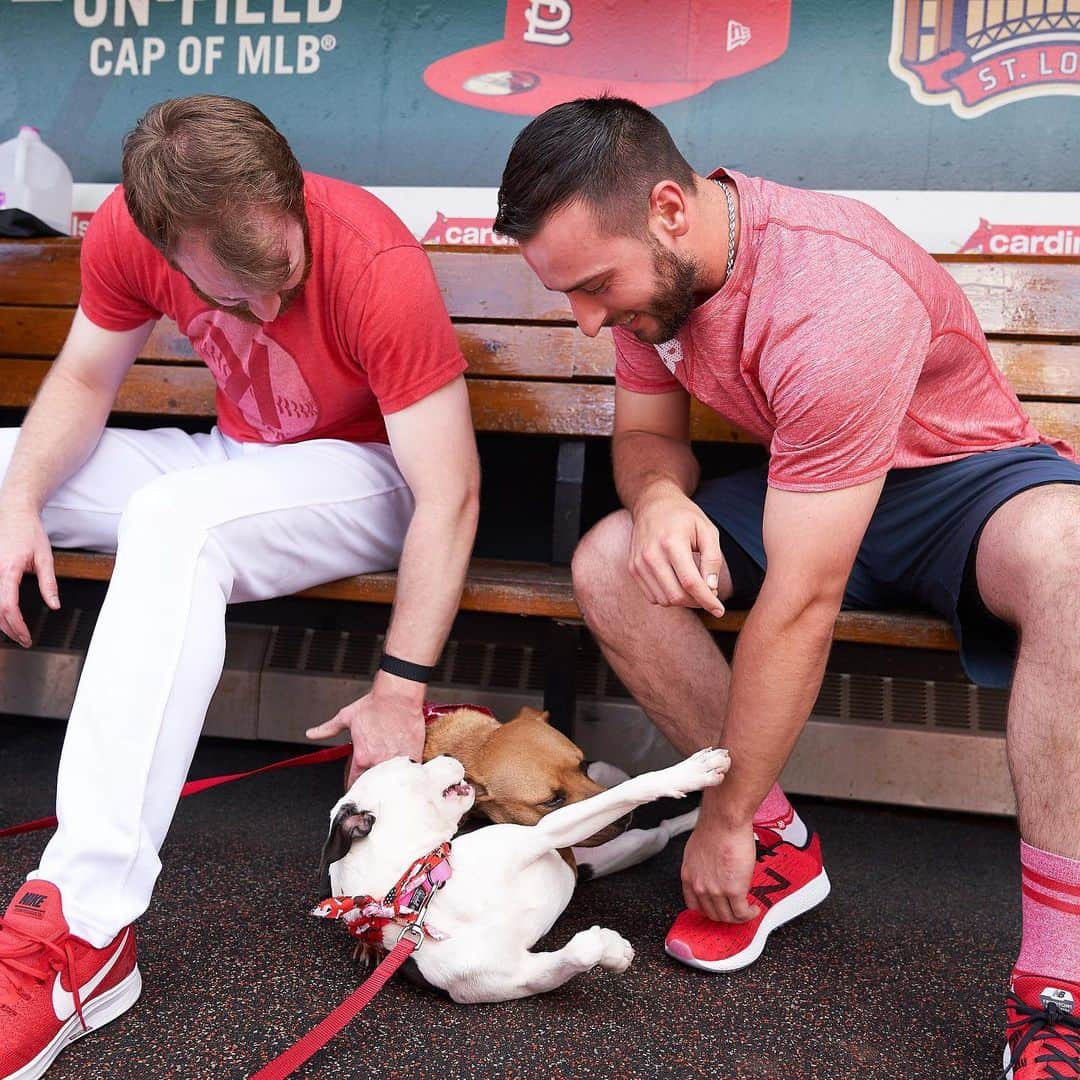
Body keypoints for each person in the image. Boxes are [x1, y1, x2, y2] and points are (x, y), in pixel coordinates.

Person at [495, 96, 1080, 1078]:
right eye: (572, 298)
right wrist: (655, 506)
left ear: (671, 212)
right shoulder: (659, 280)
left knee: (1073, 558)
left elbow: (802, 604)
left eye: (596, 287)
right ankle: (776, 847)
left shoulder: (832, 292)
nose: (590, 318)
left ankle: (1059, 975)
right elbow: (646, 440)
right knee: (610, 560)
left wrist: (710, 819)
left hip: (960, 485)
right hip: (815, 476)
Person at [0, 95, 479, 1079]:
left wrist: (399, 687)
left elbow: (451, 491)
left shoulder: (374, 259)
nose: (265, 309)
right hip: (240, 458)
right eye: (234, 295)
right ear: (165, 245)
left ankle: (83, 931)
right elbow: (86, 383)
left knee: (172, 521)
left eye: (280, 279)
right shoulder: (131, 237)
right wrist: (19, 502)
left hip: (371, 475)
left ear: (290, 191)